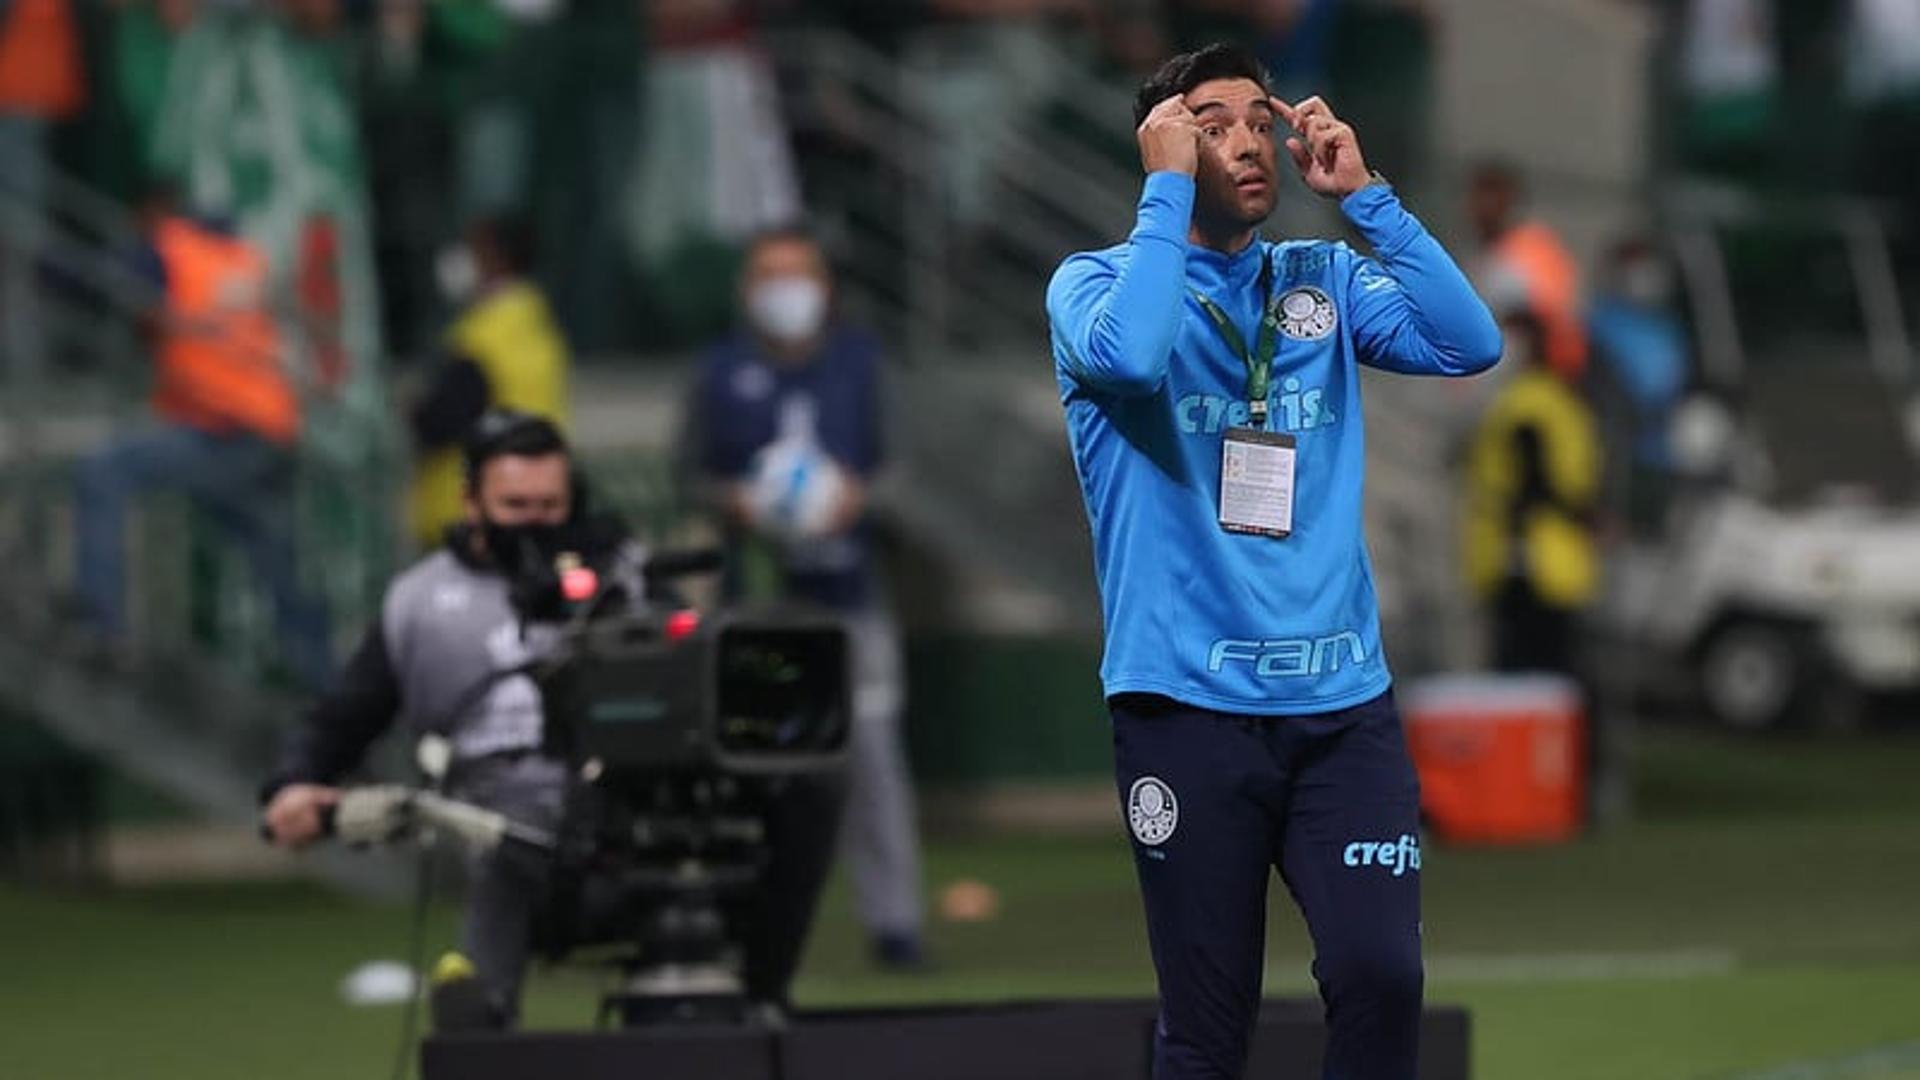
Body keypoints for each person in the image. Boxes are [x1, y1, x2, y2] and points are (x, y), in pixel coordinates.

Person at [1045, 44, 1501, 1080]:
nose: (1250, 142)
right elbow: (1131, 358)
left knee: (1384, 977)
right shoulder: (1094, 287)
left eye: (1259, 119)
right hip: (1186, 712)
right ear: (1159, 144)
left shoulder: (1322, 279)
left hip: (1342, 707)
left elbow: (1467, 345)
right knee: (1208, 1029)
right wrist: (1166, 191)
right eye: (1212, 125)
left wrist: (1369, 198)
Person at [261, 413, 843, 1027]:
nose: (536, 521)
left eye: (551, 504)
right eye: (516, 504)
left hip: (636, 800)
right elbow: (342, 716)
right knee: (508, 855)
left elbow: (702, 674)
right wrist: (294, 784)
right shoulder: (421, 601)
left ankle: (764, 994)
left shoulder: (626, 576)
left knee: (811, 782)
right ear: (472, 502)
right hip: (506, 824)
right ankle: (481, 1019)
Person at [683, 226, 928, 971]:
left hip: (852, 599)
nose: (786, 291)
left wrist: (859, 495)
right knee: (747, 767)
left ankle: (897, 928)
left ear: (824, 286)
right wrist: (740, 501)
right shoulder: (720, 372)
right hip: (756, 604)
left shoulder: (860, 364)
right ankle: (741, 927)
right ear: (748, 290)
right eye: (769, 276)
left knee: (875, 761)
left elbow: (900, 467)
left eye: (799, 275)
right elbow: (688, 472)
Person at [73, 189, 332, 689]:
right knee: (278, 561)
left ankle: (102, 625)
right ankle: (330, 688)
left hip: (222, 429)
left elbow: (99, 283)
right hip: (269, 429)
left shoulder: (169, 247)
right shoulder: (245, 257)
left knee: (102, 472)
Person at [407, 214, 571, 549]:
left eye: (473, 247)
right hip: (534, 507)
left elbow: (439, 423)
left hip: (467, 518)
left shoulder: (481, 338)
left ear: (495, 255)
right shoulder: (538, 328)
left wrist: (412, 410)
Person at [1462, 313, 1601, 675]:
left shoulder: (1526, 403)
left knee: (1525, 670)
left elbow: (1533, 480)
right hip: (1545, 557)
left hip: (1531, 559)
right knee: (1552, 670)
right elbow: (1544, 478)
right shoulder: (1554, 402)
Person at [1467, 158, 1586, 381]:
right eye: (1479, 195)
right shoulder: (1480, 252)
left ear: (1512, 200)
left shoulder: (1533, 247)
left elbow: (1544, 322)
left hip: (1545, 375)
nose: (1484, 205)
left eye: (1493, 195)